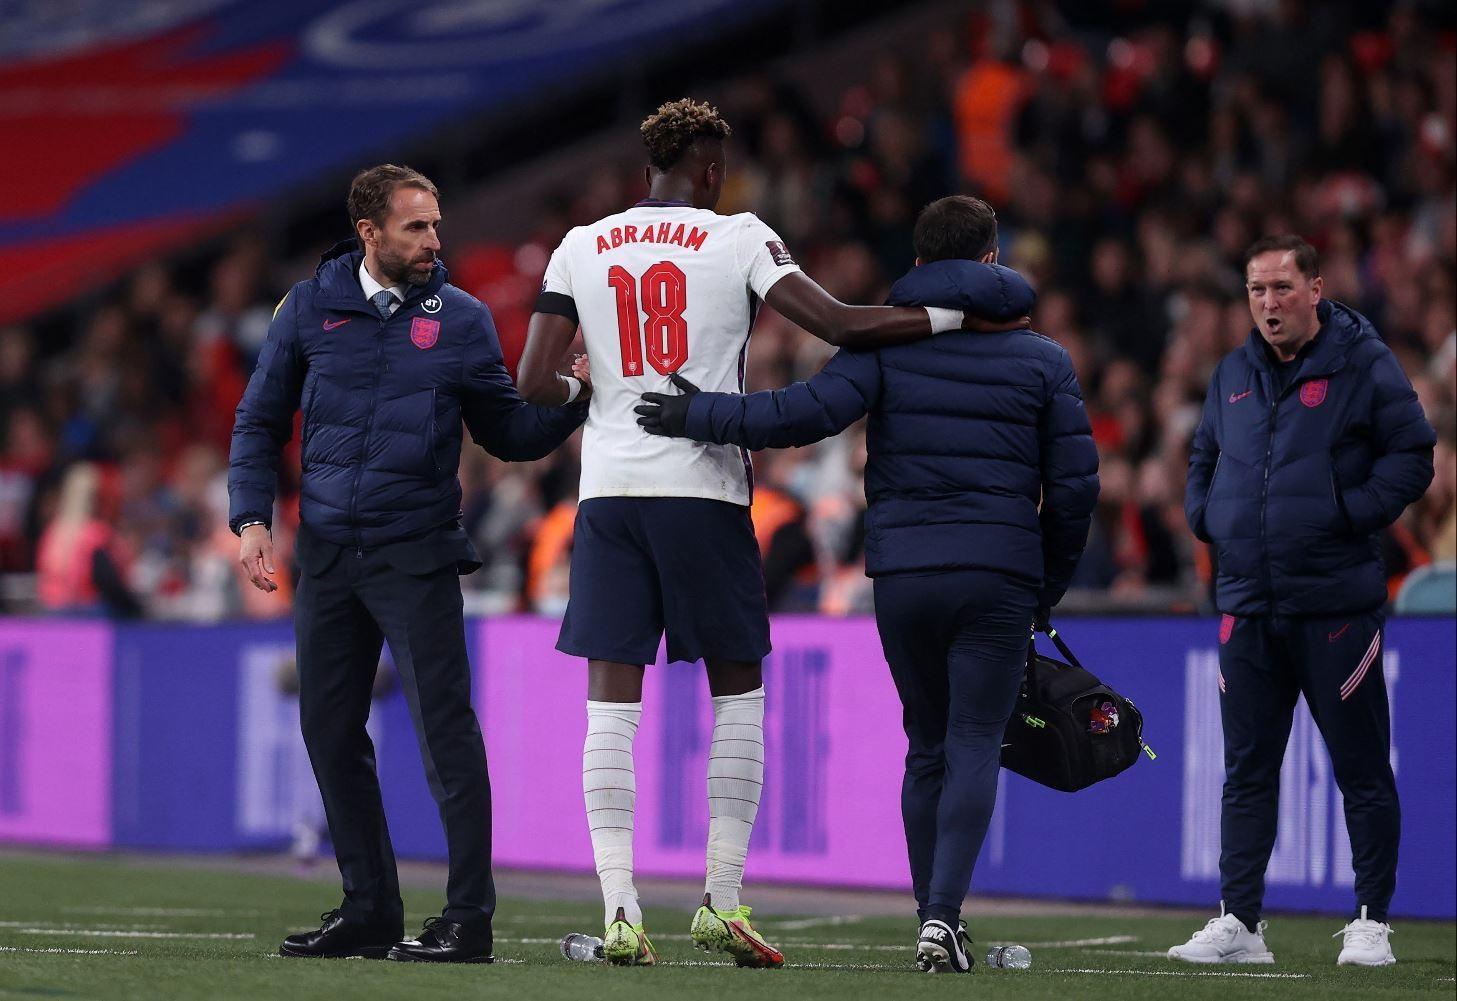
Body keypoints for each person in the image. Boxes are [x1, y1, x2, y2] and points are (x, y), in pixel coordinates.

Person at [513, 100, 1029, 968]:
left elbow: (530, 382)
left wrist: (588, 395)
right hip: (705, 491)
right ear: (711, 170)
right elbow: (839, 325)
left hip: (606, 494)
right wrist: (951, 319)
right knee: (736, 693)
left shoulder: (579, 243)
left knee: (611, 702)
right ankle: (718, 900)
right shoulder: (738, 234)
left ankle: (619, 911)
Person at [634, 194, 1098, 973]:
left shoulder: (884, 346)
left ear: (918, 264)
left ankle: (930, 918)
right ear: (991, 261)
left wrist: (698, 413)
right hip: (997, 572)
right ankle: (943, 918)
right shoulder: (1043, 359)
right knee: (975, 739)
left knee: (924, 743)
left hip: (905, 576)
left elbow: (798, 414)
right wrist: (1042, 582)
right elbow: (1076, 490)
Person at [228, 164, 587, 964]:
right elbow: (256, 421)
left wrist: (571, 397)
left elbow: (507, 433)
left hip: (414, 554)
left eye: (435, 224)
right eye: (416, 227)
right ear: (369, 233)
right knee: (328, 730)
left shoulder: (458, 318)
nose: (434, 240)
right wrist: (252, 517)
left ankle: (469, 917)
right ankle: (370, 907)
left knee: (444, 735)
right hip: (324, 557)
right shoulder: (308, 307)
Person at [1171, 235, 1435, 967]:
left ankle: (1370, 920)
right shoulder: (1231, 372)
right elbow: (1202, 456)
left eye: (1282, 287)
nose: (1268, 302)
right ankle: (1240, 922)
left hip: (1333, 608)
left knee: (1358, 767)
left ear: (1315, 289)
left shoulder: (1362, 363)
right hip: (1247, 605)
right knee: (1246, 769)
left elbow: (1414, 453)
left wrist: (1347, 510)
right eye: (1256, 289)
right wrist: (1207, 517)